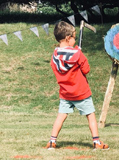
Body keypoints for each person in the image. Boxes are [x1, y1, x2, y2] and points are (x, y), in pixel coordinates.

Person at [46, 21, 109, 150]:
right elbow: (86, 70)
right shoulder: (77, 54)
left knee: (61, 116)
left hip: (65, 93)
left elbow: (56, 69)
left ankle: (52, 141)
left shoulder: (54, 56)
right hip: (81, 92)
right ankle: (96, 142)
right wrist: (79, 55)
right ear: (68, 38)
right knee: (90, 115)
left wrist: (76, 53)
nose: (75, 39)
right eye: (74, 37)